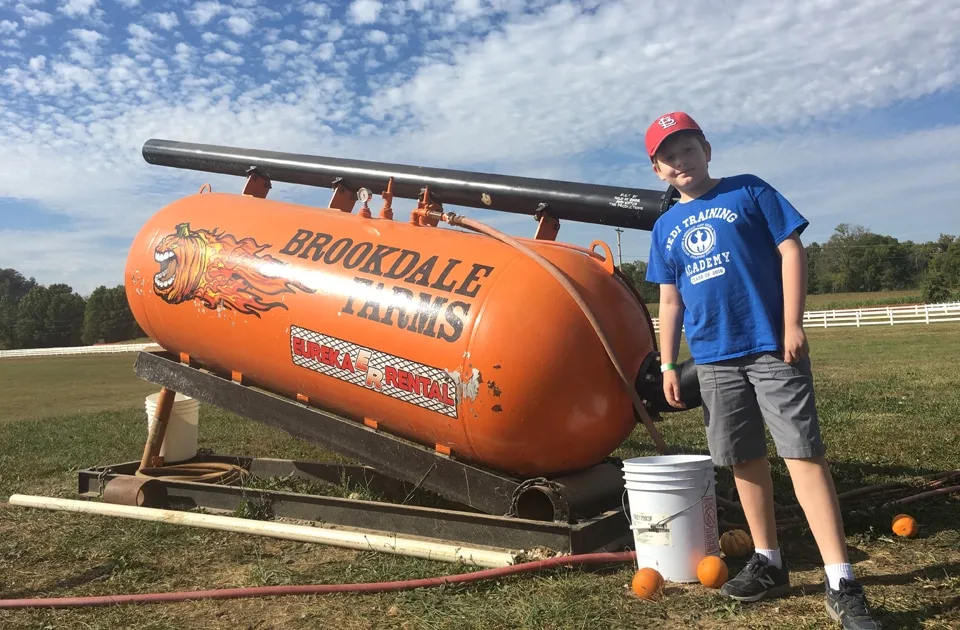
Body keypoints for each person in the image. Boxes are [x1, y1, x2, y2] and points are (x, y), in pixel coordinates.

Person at [642, 111, 882, 630]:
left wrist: (792, 323)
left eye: (687, 149)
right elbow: (668, 300)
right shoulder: (664, 228)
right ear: (657, 169)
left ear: (707, 149)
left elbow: (789, 248)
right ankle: (769, 561)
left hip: (772, 347)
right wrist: (667, 361)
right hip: (711, 358)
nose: (680, 161)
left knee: (801, 453)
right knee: (741, 458)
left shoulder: (749, 191)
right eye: (668, 156)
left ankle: (841, 578)